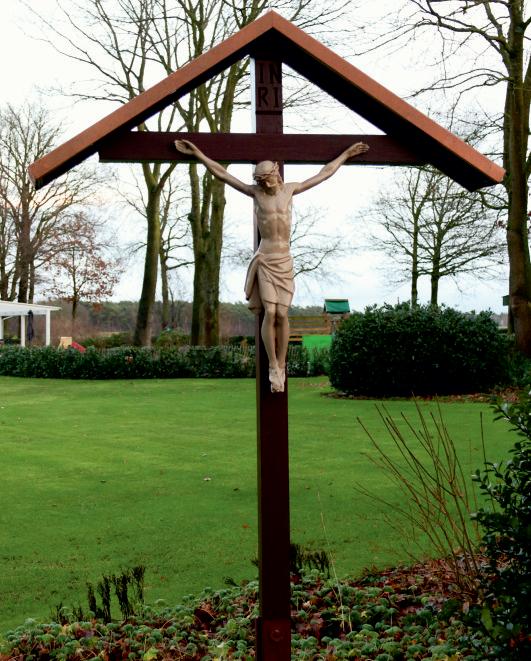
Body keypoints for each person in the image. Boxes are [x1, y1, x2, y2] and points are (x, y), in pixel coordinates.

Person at [174, 138, 369, 392]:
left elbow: (324, 173)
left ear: (276, 172)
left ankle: (282, 363)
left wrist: (346, 155)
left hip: (284, 259)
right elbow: (222, 173)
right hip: (266, 259)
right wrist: (198, 154)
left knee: (283, 314)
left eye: (267, 179)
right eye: (261, 181)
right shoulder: (255, 193)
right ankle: (273, 364)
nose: (265, 184)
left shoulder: (291, 190)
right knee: (271, 311)